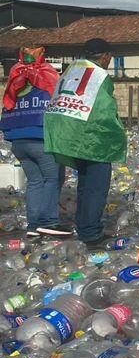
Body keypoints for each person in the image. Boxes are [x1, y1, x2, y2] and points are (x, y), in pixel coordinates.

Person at [44, 39, 127, 248]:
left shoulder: (72, 69)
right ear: (105, 56)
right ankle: (91, 234)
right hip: (91, 139)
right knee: (96, 187)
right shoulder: (100, 76)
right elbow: (105, 110)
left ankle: (84, 227)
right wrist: (117, 136)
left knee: (84, 184)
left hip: (68, 133)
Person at [2, 47, 67, 238]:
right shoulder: (47, 73)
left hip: (18, 140)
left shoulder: (16, 73)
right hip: (41, 138)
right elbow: (60, 103)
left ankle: (33, 225)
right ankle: (48, 222)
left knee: (34, 181)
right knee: (52, 179)